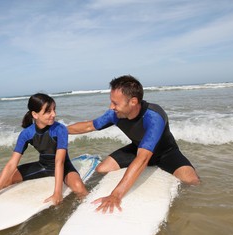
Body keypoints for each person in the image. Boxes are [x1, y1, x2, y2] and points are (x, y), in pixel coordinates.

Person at [68, 75, 200, 213]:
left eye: (115, 103)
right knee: (102, 169)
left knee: (193, 181)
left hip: (166, 153)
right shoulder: (115, 114)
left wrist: (115, 195)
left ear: (133, 101)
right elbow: (89, 126)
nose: (111, 107)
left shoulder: (154, 116)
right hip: (137, 149)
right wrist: (61, 131)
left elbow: (143, 158)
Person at [0, 93, 88, 205]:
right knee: (3, 179)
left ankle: (84, 209)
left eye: (54, 110)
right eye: (48, 111)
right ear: (35, 114)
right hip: (43, 166)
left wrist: (57, 192)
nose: (54, 114)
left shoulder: (60, 129)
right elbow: (12, 163)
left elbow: (59, 162)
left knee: (80, 189)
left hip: (64, 166)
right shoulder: (26, 134)